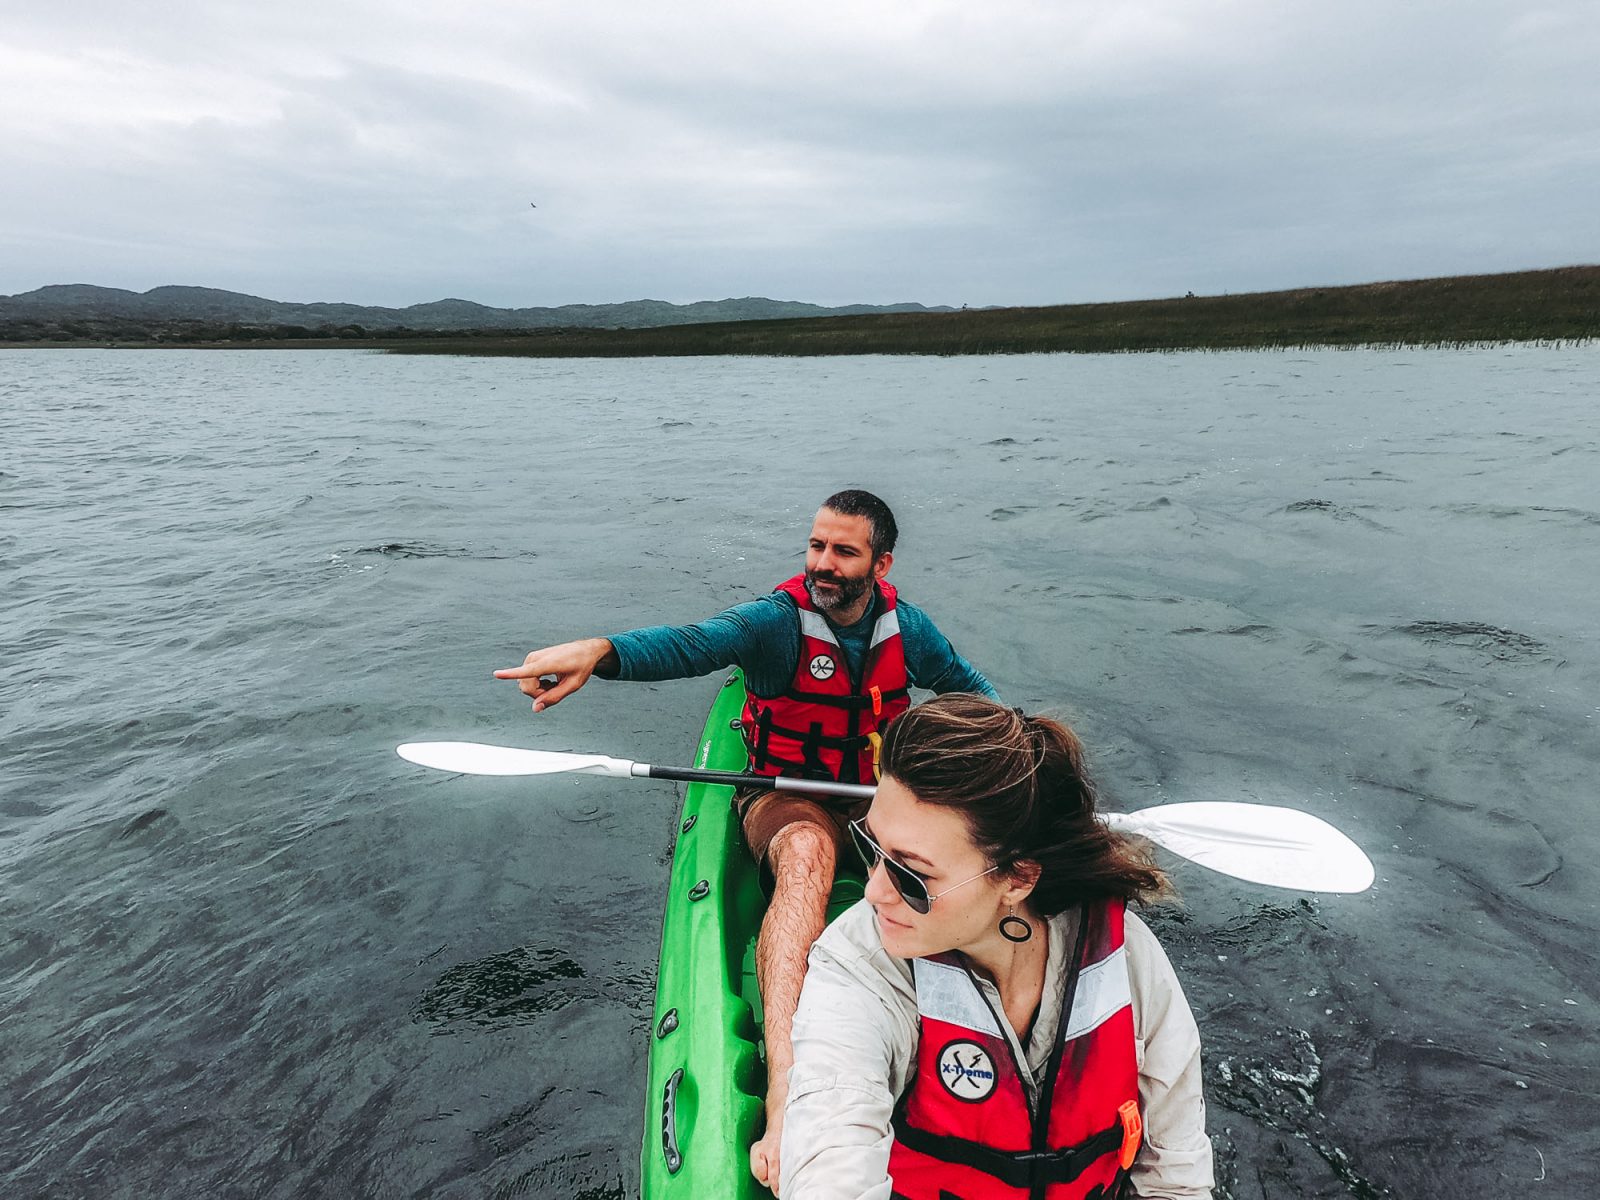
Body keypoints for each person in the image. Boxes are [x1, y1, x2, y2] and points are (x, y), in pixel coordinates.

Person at [494, 490, 998, 1192]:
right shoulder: (775, 624)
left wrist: (1027, 756)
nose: (824, 563)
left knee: (956, 874)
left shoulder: (908, 631)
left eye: (844, 551)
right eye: (817, 545)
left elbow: (975, 697)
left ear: (880, 564)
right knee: (806, 859)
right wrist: (602, 654)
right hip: (784, 793)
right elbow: (693, 644)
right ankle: (787, 1090)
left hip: (874, 799)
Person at [780, 694, 1214, 1199]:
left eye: (912, 874)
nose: (874, 891)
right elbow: (829, 1158)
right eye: (872, 848)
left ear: (1017, 879)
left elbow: (1175, 1178)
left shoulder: (1130, 962)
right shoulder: (862, 963)